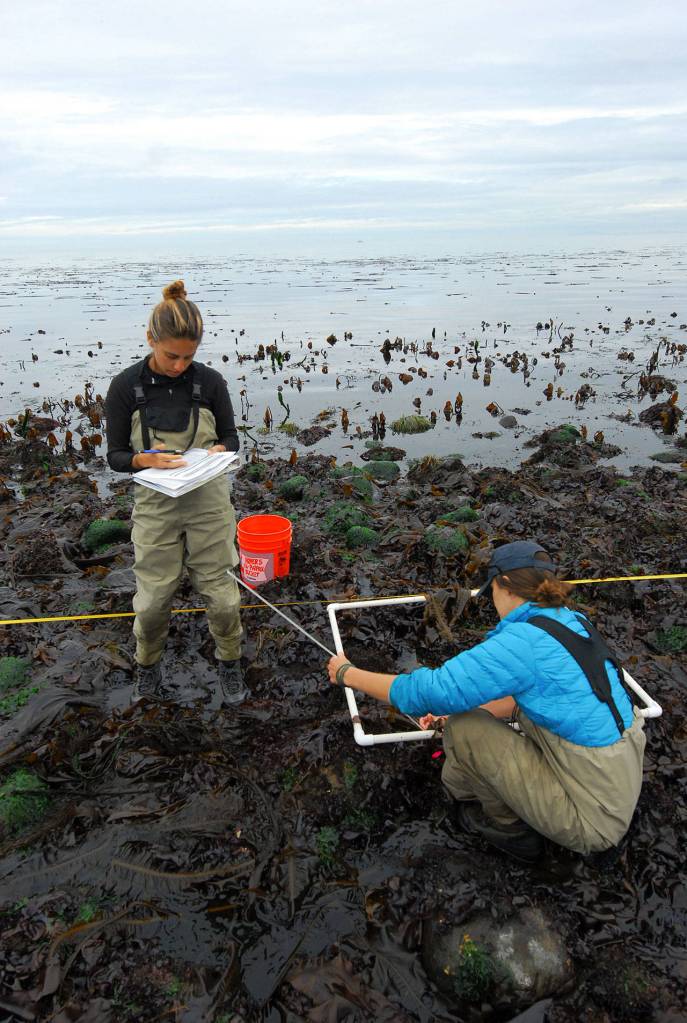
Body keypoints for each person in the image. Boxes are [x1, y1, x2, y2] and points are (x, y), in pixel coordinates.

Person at [327, 541, 646, 861]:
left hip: (592, 818)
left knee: (466, 730)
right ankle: (467, 788)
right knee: (470, 730)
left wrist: (347, 674)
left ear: (504, 584)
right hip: (617, 782)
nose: (493, 601)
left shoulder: (524, 640)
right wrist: (448, 714)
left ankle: (511, 831)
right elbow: (525, 700)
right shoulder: (570, 620)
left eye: (491, 590)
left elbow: (427, 692)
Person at [105, 280, 247, 706]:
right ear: (150, 339)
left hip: (209, 501)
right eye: (171, 355)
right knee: (152, 602)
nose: (180, 365)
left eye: (189, 356)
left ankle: (230, 659)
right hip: (155, 505)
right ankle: (147, 663)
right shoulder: (125, 386)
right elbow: (115, 456)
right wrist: (140, 459)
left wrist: (221, 450)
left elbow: (231, 439)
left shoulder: (211, 382)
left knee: (222, 598)